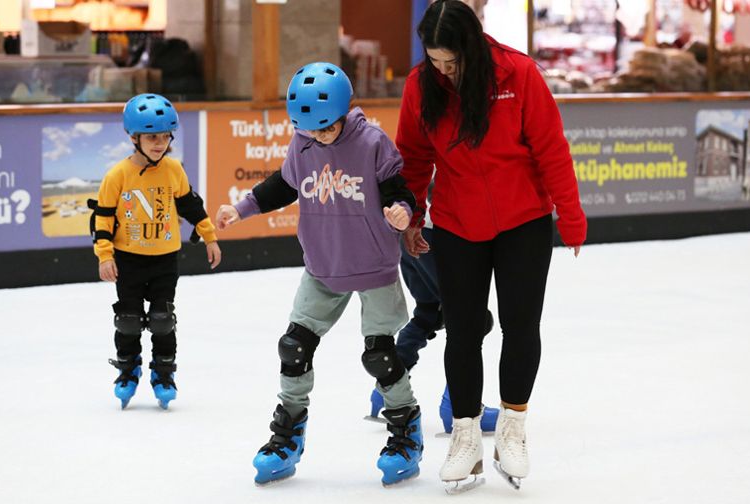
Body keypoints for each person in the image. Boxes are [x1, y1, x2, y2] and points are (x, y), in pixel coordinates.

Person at [396, 0, 587, 492]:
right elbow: (414, 159)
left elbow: (551, 147)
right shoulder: (421, 87)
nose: (444, 71)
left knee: (520, 324)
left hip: (523, 221)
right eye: (435, 61)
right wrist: (413, 215)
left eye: (452, 61)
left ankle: (514, 427)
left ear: (473, 46)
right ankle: (464, 436)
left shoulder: (518, 74)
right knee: (461, 332)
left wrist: (570, 214)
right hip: (458, 223)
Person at [216, 62, 423, 487]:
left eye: (326, 127)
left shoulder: (371, 143)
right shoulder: (304, 143)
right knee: (294, 346)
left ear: (345, 111)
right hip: (323, 267)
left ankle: (405, 433)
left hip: (372, 266)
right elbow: (282, 185)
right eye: (309, 129)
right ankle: (287, 435)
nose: (319, 136)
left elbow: (398, 189)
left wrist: (402, 212)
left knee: (380, 356)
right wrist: (240, 210)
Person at [91, 93, 221, 410]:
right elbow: (103, 219)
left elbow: (191, 205)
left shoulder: (173, 170)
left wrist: (209, 236)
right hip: (128, 260)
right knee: (128, 319)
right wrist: (105, 255)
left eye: (165, 136)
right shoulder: (117, 175)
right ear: (134, 137)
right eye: (151, 136)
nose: (159, 143)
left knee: (163, 319)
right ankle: (127, 369)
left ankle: (163, 374)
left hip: (165, 259)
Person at [366, 181, 500, 435]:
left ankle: (386, 388)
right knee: (472, 319)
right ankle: (459, 405)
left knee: (429, 312)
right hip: (436, 234)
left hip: (409, 232)